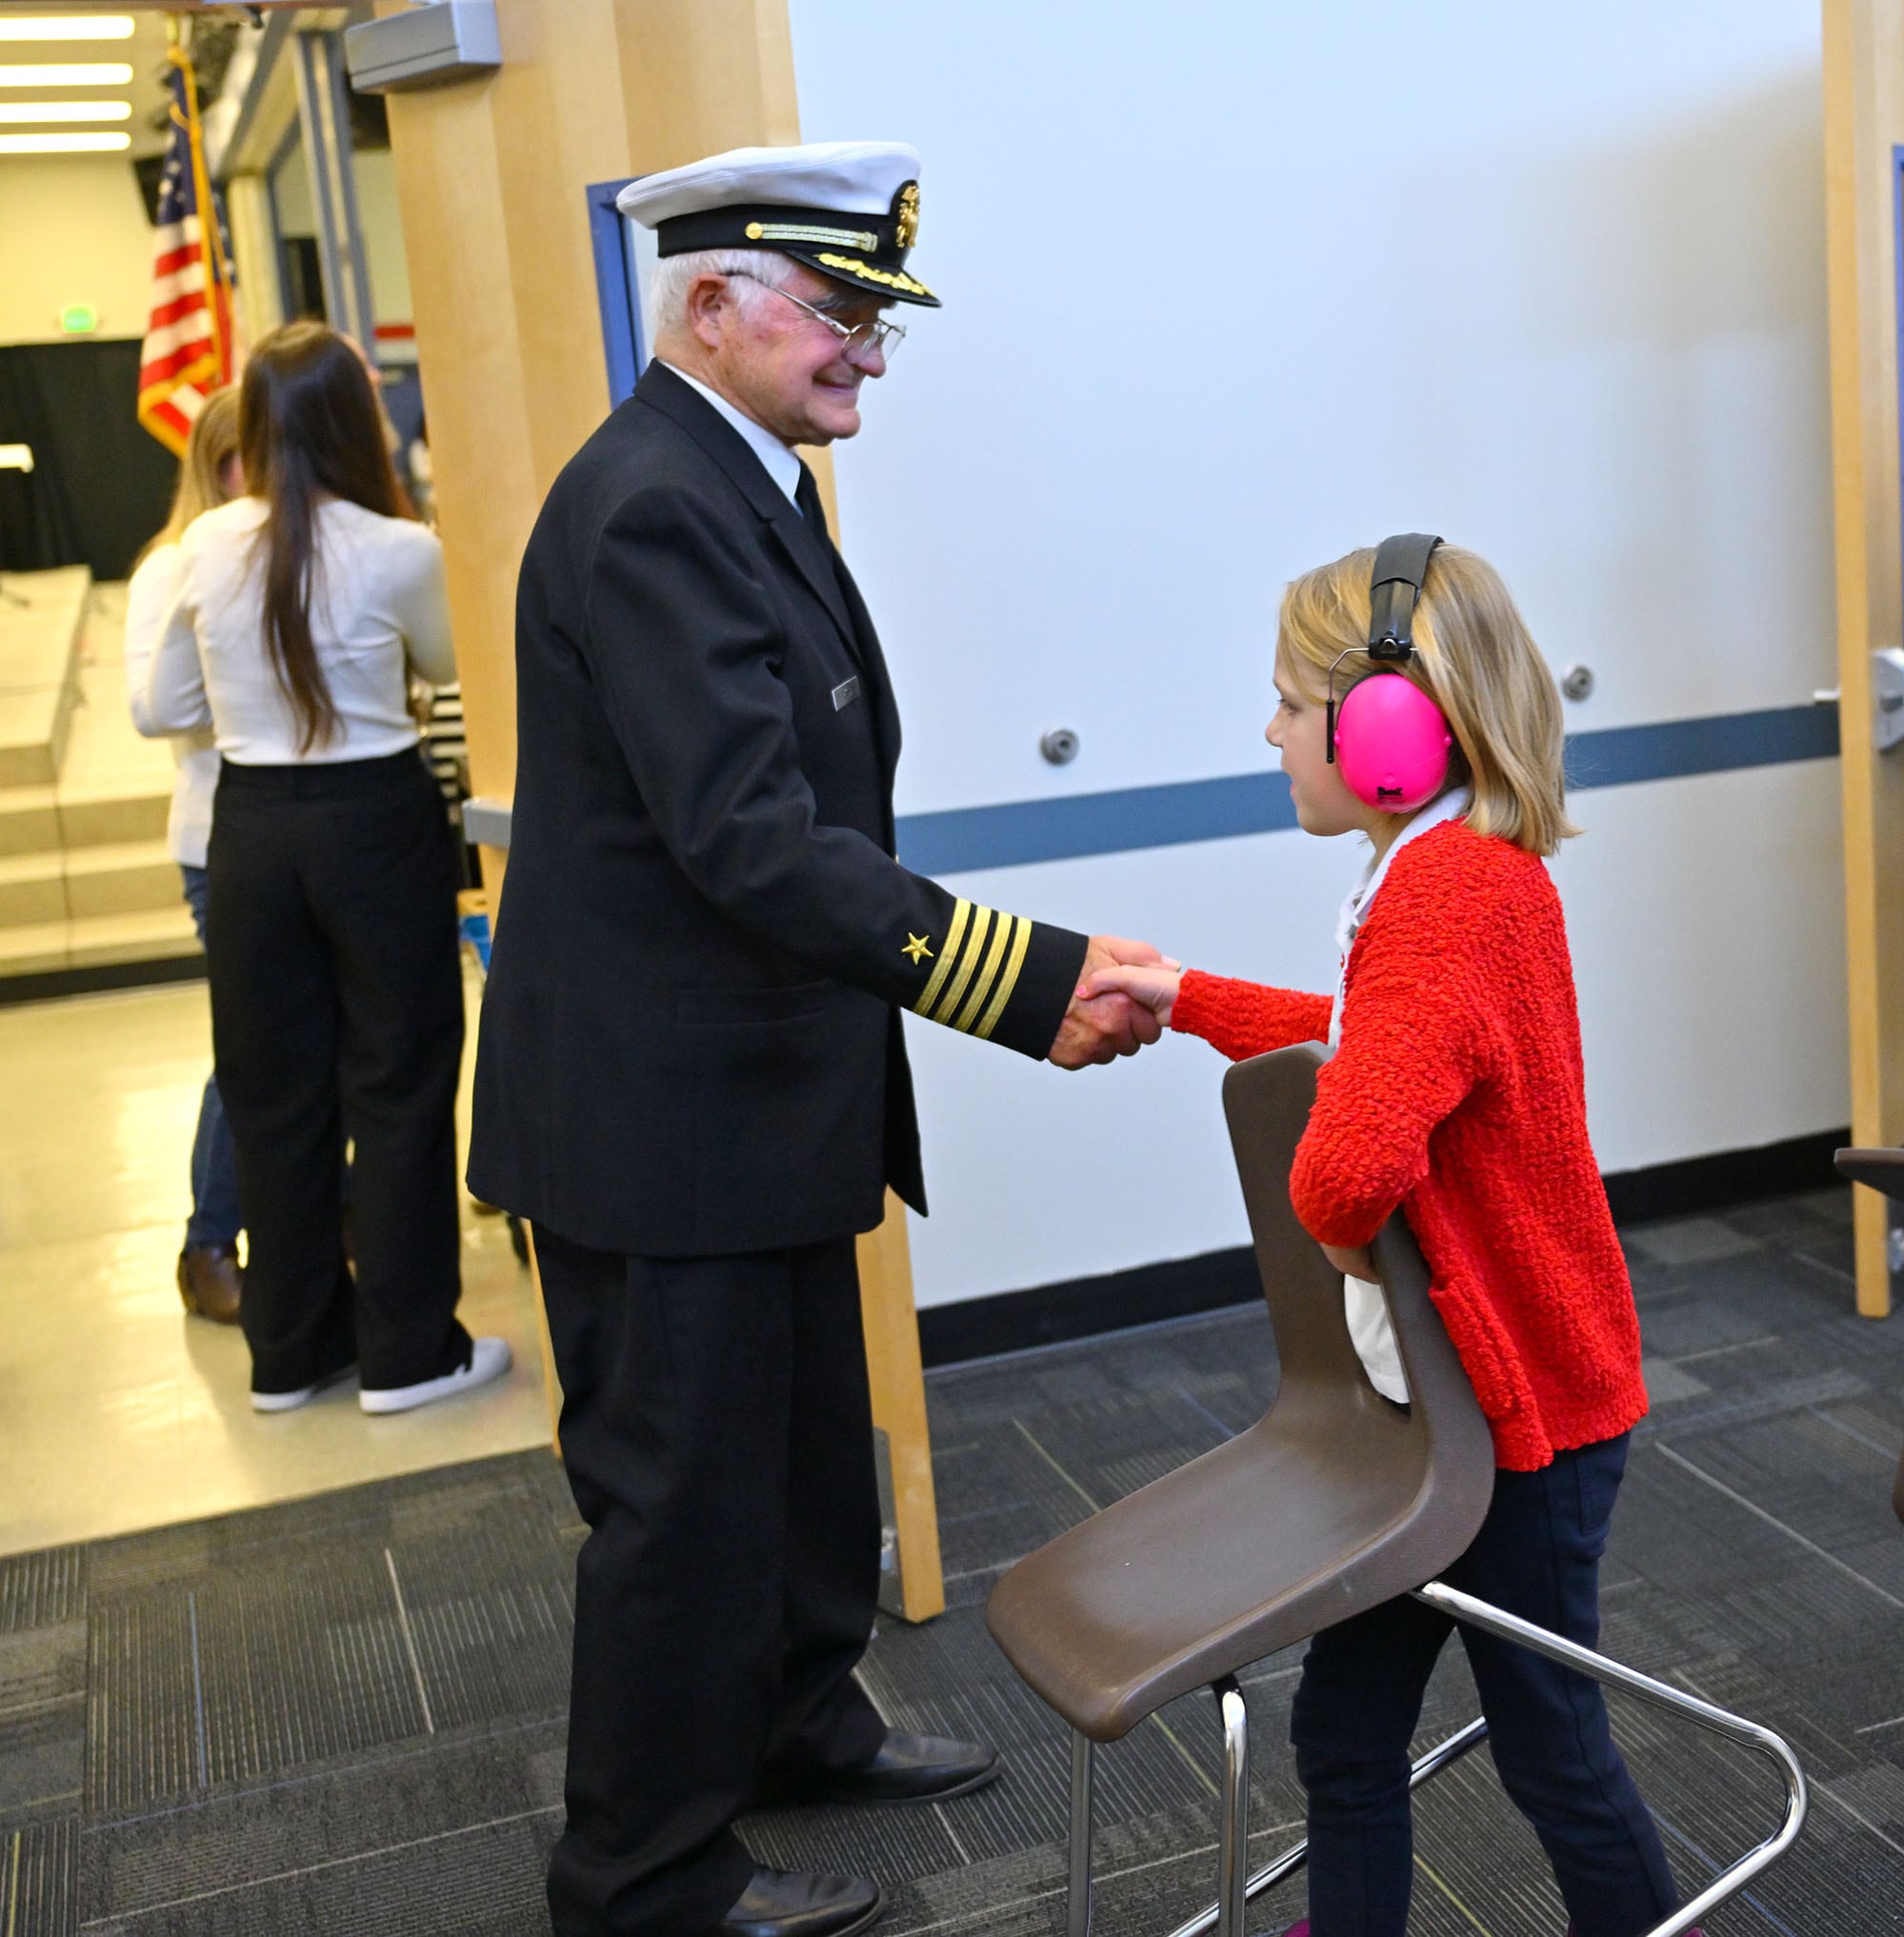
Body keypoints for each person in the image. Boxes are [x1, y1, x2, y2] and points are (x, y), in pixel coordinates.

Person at [465, 143, 1162, 1937]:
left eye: (878, 319)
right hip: (656, 1121)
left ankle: (788, 1720)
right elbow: (749, 837)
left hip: (744, 1100)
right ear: (711, 305)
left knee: (793, 1466)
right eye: (842, 312)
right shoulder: (652, 502)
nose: (871, 354)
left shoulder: (736, 476)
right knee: (682, 1508)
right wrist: (1026, 976)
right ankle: (642, 1877)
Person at [1084, 539, 1678, 1937]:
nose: (1272, 730)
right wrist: (1186, 994)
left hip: (1523, 1417)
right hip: (1446, 1411)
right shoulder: (1438, 870)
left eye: (1293, 701)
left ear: (1391, 727)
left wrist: (1352, 1244)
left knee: (1553, 1746)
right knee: (1346, 1729)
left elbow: (1346, 1162)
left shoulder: (1451, 894)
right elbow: (1371, 1050)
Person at [131, 323, 503, 1419]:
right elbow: (448, 666)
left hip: (249, 827)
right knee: (397, 1085)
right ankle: (406, 1354)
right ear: (356, 417)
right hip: (373, 818)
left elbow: (165, 709)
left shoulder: (204, 550)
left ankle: (289, 1355)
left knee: (271, 1090)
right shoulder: (397, 548)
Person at [125, 385, 245, 1325]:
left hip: (283, 831)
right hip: (218, 836)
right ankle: (207, 1242)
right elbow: (153, 706)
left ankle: (325, 1219)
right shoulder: (174, 565)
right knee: (246, 1051)